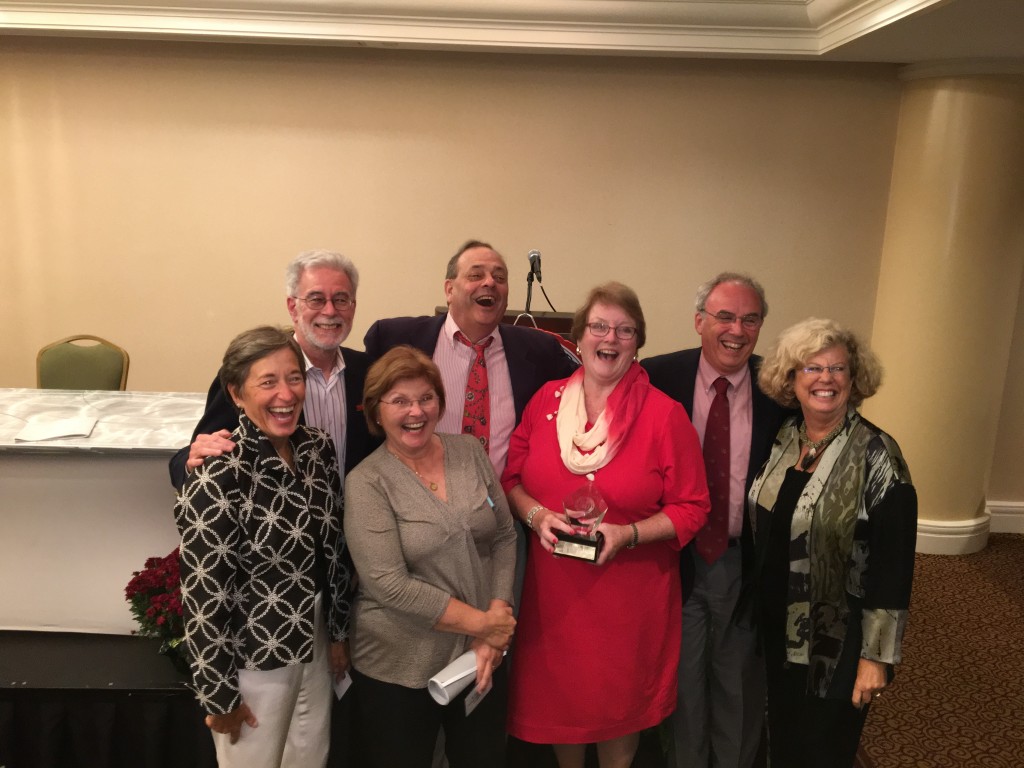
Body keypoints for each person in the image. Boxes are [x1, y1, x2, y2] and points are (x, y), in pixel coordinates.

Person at [501, 282, 711, 768]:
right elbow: (510, 480)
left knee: (618, 723)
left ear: (637, 343)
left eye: (624, 330)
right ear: (578, 337)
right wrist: (535, 516)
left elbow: (693, 507)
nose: (609, 338)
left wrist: (628, 534)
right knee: (563, 712)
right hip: (554, 599)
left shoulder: (665, 416)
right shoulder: (545, 401)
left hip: (628, 602)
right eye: (599, 326)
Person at [175, 326, 352, 768]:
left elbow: (331, 552)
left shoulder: (317, 450)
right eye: (267, 382)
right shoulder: (218, 473)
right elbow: (202, 595)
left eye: (294, 378)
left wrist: (337, 633)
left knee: (312, 758)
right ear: (235, 394)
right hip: (253, 658)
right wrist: (217, 695)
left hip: (314, 639)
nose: (286, 394)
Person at [749, 318, 917, 767]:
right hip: (775, 626)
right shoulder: (784, 437)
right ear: (791, 378)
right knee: (779, 735)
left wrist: (876, 658)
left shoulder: (879, 456)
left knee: (823, 748)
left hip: (837, 643)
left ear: (854, 378)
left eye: (837, 369)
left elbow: (894, 566)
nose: (826, 379)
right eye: (812, 368)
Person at [343, 345, 517, 768]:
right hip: (399, 664)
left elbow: (505, 537)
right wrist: (486, 625)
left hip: (479, 655)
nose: (415, 411)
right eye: (399, 401)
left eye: (425, 398)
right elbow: (389, 585)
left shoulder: (469, 452)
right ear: (376, 411)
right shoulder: (367, 482)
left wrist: (493, 619)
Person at [642, 273, 789, 768]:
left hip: (743, 562)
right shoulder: (657, 376)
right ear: (699, 321)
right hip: (671, 558)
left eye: (750, 319)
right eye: (725, 316)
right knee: (681, 686)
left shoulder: (779, 388)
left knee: (739, 686)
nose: (737, 330)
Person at [363, 239, 577, 479]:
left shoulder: (540, 351)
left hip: (507, 507)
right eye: (475, 275)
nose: (489, 282)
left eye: (500, 277)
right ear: (449, 289)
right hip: (415, 504)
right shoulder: (393, 338)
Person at [169, 249, 377, 491]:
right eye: (316, 299)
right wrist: (190, 461)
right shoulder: (248, 374)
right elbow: (195, 455)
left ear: (353, 306)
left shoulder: (369, 373)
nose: (330, 311)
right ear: (292, 306)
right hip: (282, 524)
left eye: (341, 299)